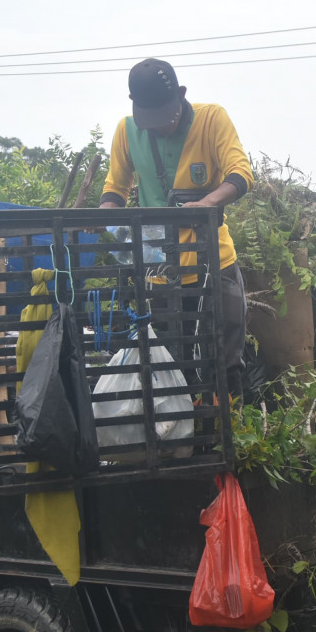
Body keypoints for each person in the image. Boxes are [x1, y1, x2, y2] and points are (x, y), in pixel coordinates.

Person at [100, 57, 253, 398]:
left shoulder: (212, 119)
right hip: (159, 272)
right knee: (168, 366)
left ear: (182, 94)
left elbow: (241, 173)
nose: (158, 127)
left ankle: (229, 433)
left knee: (224, 358)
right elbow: (115, 188)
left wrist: (208, 204)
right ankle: (179, 439)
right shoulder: (127, 131)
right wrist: (107, 220)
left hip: (213, 263)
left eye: (164, 117)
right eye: (149, 120)